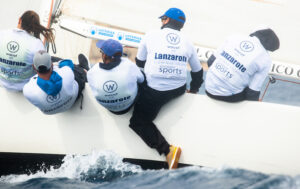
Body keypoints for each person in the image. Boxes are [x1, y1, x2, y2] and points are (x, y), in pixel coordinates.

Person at [129, 8, 204, 169]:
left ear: (166, 20)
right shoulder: (187, 41)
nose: (161, 21)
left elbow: (140, 63)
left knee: (138, 121)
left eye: (163, 19)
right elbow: (198, 71)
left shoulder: (150, 35)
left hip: (154, 91)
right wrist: (194, 90)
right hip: (178, 89)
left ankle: (168, 151)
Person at [205, 28, 280, 102]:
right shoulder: (266, 59)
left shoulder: (234, 37)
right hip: (227, 97)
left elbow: (210, 62)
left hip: (208, 86)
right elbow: (252, 92)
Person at [0, 10, 55, 91]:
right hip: (24, 87)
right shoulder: (36, 43)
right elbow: (45, 70)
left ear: (19, 20)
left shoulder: (2, 35)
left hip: (2, 82)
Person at [87, 39, 144, 114]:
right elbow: (142, 80)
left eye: (101, 51)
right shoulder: (128, 64)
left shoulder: (92, 72)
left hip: (110, 108)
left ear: (104, 55)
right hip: (129, 105)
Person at [23, 51, 88, 114]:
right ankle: (84, 70)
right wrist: (56, 64)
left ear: (34, 67)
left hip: (51, 111)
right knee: (76, 71)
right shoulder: (65, 73)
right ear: (51, 65)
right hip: (73, 100)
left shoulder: (28, 90)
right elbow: (68, 62)